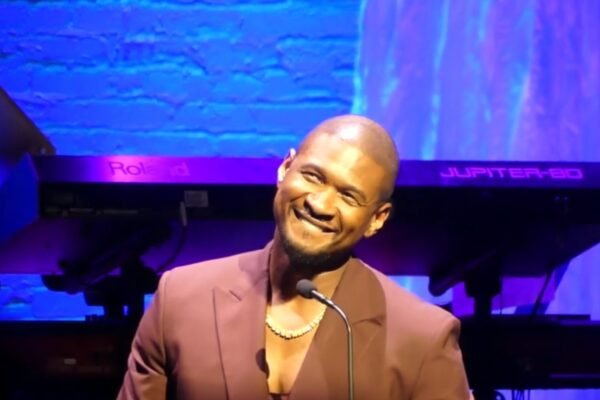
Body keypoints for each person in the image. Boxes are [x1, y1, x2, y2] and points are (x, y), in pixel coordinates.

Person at [117, 115, 472, 400]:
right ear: (285, 169)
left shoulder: (422, 337)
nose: (319, 204)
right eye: (313, 177)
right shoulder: (181, 299)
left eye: (348, 196)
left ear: (377, 219)